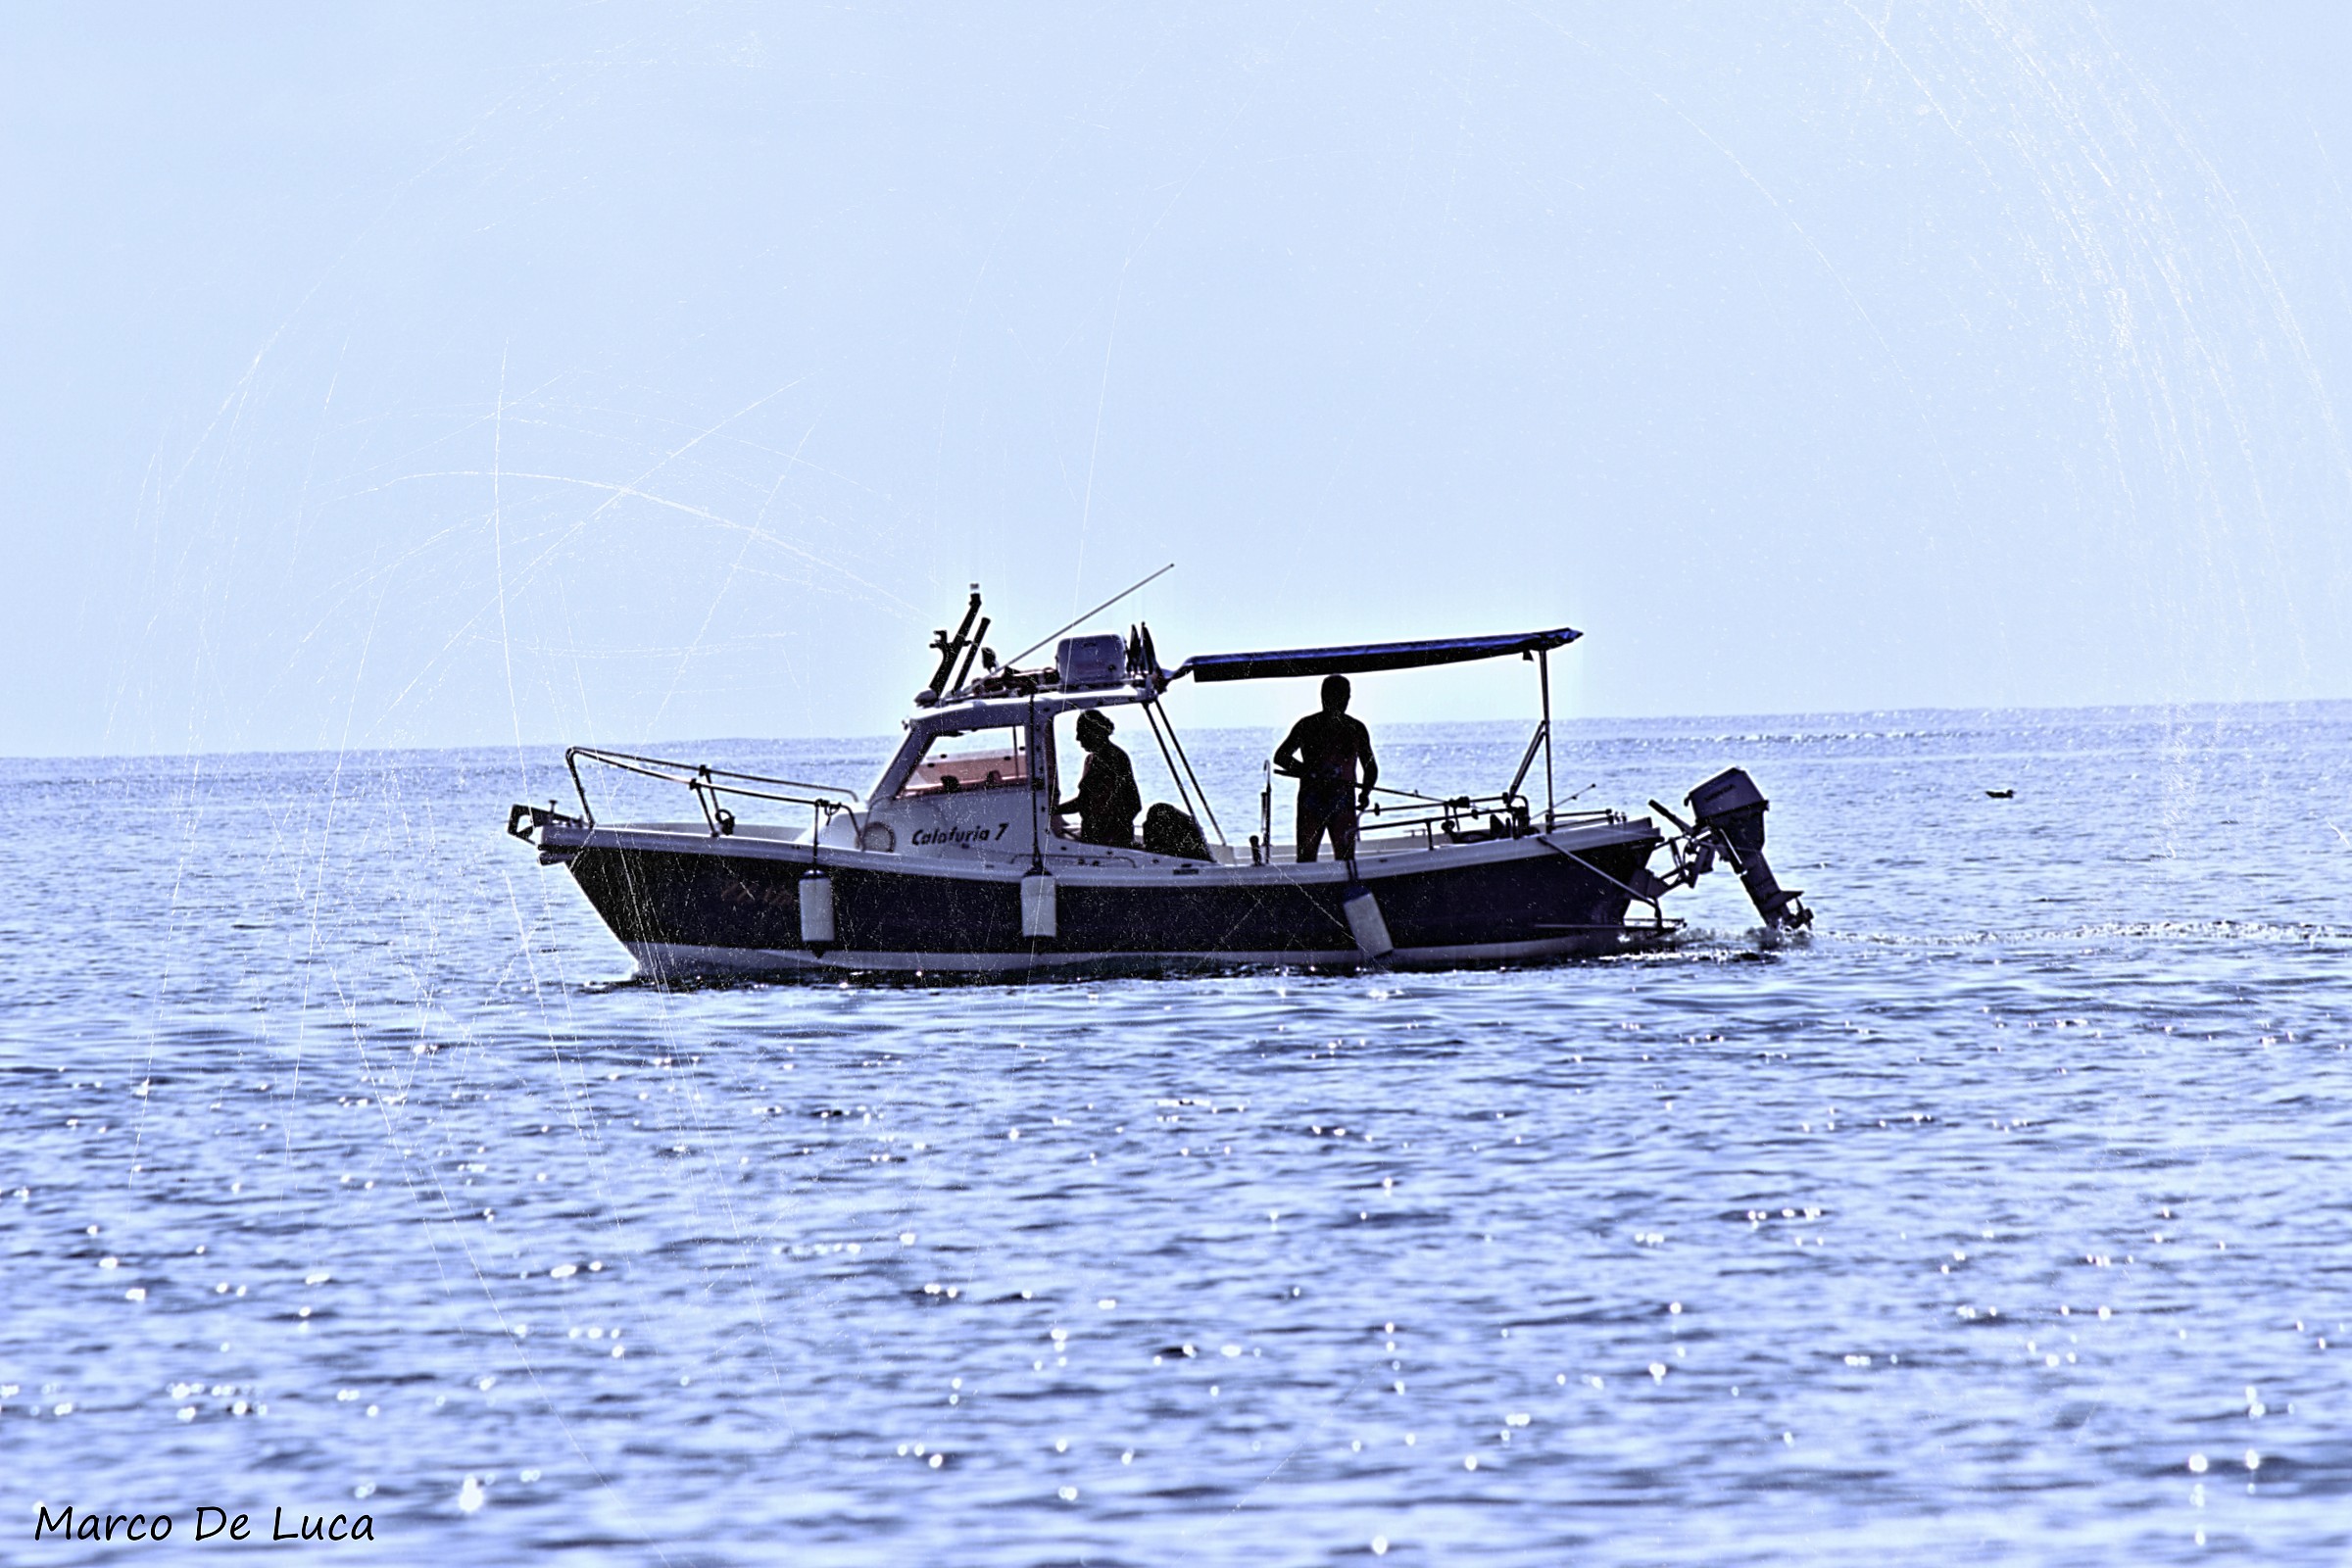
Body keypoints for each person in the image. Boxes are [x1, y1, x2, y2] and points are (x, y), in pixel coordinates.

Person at [1273, 673, 1378, 864]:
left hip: (1342, 802)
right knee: (1306, 858)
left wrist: (1365, 793)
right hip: (1312, 802)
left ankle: (1346, 891)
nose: (1341, 701)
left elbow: (1370, 768)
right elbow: (1281, 757)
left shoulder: (1356, 728)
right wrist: (1307, 771)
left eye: (1344, 696)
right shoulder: (1306, 726)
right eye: (1336, 695)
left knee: (1346, 858)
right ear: (1323, 696)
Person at [1055, 708, 1142, 848]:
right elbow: (1085, 800)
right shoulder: (1091, 759)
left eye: (1081, 733)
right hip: (1093, 838)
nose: (1077, 738)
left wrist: (1112, 836)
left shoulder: (1115, 758)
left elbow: (1133, 803)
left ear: (1095, 733)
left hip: (1110, 843)